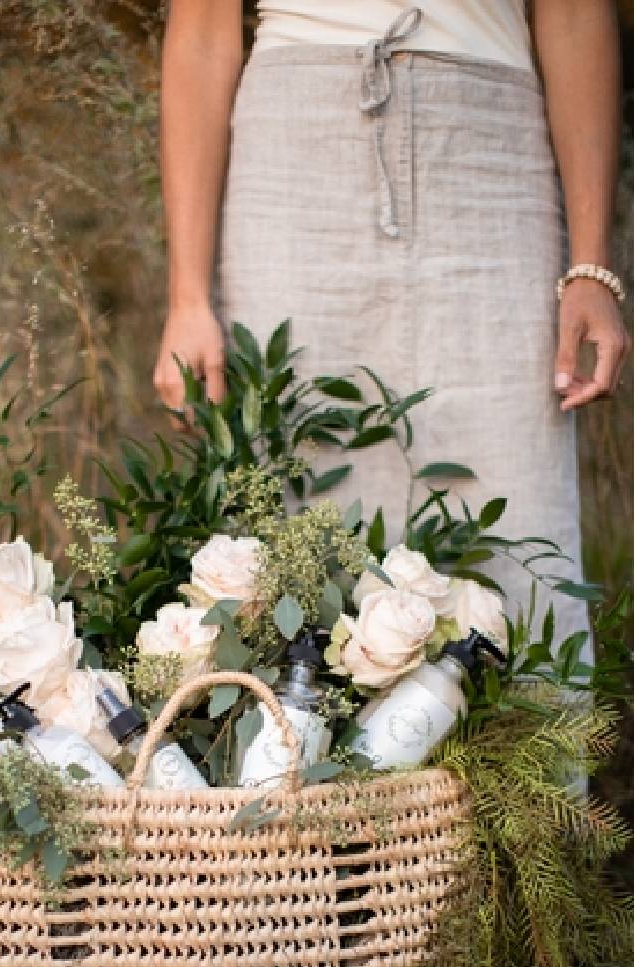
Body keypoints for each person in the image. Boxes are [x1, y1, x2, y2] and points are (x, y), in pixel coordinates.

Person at [153, 1, 630, 644]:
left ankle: (535, 740)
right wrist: (187, 298)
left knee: (518, 522)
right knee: (295, 520)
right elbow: (203, 35)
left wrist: (590, 267)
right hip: (291, 158)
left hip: (494, 156)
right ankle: (295, 738)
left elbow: (575, 14)